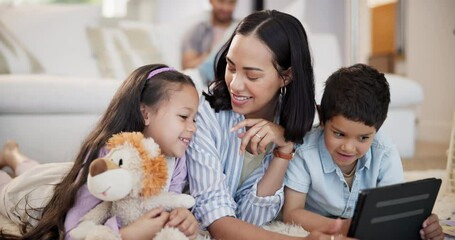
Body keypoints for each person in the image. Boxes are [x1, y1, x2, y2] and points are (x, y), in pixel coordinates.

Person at [186, 9, 353, 240]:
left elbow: (251, 219)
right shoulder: (206, 116)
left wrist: (284, 150)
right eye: (231, 67)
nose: (235, 84)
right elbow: (217, 224)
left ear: (286, 76)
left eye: (252, 76)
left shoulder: (300, 122)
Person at [0, 64, 199, 240]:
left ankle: (14, 155)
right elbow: (74, 230)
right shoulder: (108, 155)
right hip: (49, 195)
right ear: (145, 113)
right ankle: (13, 156)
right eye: (183, 116)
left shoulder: (176, 160)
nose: (193, 127)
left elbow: (169, 201)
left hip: (66, 176)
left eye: (194, 119)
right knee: (11, 187)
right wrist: (126, 235)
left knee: (38, 170)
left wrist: (181, 216)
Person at [282, 64, 444, 240]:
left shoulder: (385, 152)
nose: (348, 148)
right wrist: (339, 227)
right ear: (322, 118)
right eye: (339, 134)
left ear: (378, 128)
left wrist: (424, 225)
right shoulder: (304, 151)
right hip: (320, 220)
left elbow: (393, 211)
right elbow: (292, 213)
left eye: (363, 138)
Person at [181, 0, 238, 71]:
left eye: (231, 2)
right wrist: (208, 57)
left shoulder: (241, 29)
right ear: (210, 1)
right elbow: (187, 66)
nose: (225, 8)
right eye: (221, 1)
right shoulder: (198, 31)